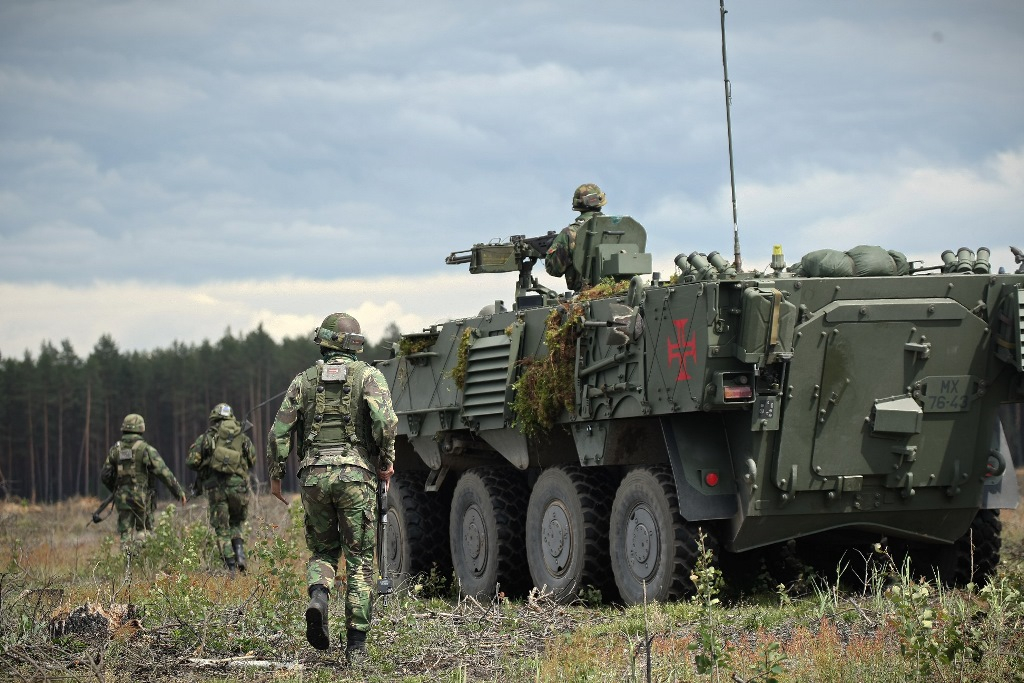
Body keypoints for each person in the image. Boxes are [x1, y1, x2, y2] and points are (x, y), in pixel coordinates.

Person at [267, 312, 397, 661]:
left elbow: (279, 432)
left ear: (324, 342)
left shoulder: (303, 381)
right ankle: (355, 646)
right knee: (359, 562)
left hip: (312, 479)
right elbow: (385, 421)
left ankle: (319, 596)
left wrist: (276, 475)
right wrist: (385, 461)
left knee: (323, 552)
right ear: (356, 344)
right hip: (356, 478)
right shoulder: (369, 376)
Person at [186, 402, 256, 572]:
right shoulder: (242, 436)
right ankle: (240, 556)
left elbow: (191, 462)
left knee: (222, 529)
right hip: (238, 487)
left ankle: (230, 568)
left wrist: (208, 463)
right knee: (237, 523)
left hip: (216, 489)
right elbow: (252, 460)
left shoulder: (207, 437)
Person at [100, 413, 187, 545]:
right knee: (144, 531)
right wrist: (178, 492)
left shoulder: (116, 450)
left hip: (122, 498)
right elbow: (164, 473)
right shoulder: (146, 449)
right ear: (141, 428)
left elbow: (105, 475)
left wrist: (117, 489)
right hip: (142, 497)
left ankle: (128, 562)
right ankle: (140, 556)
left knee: (125, 534)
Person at [544, 183, 607, 290]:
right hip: (623, 289)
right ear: (600, 201)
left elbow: (554, 269)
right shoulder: (622, 227)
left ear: (578, 204)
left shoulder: (570, 233)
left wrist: (559, 248)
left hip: (586, 294)